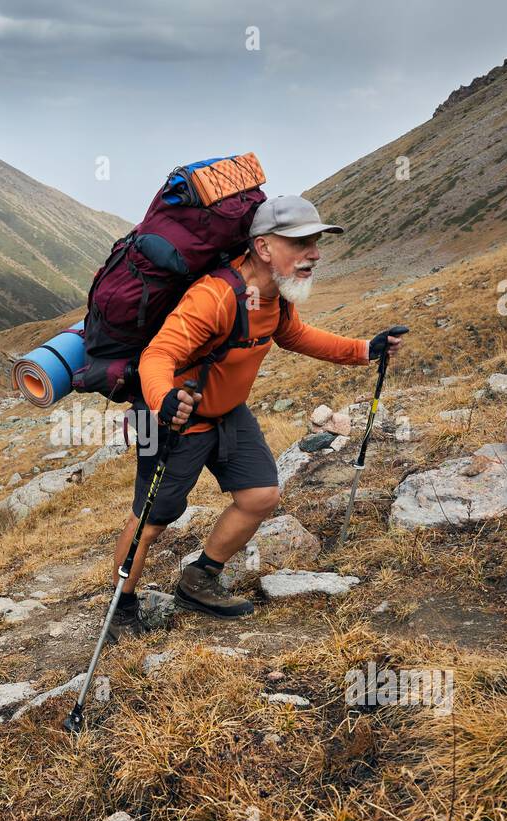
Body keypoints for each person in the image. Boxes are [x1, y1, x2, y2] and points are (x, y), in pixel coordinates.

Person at [106, 195, 403, 640]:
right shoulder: (214, 298)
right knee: (152, 521)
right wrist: (164, 398)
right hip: (172, 419)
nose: (315, 254)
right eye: (301, 243)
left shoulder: (275, 296)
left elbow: (296, 335)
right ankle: (121, 607)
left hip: (227, 413)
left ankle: (199, 579)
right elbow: (159, 354)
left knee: (261, 494)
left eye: (317, 243)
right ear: (263, 248)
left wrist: (364, 350)